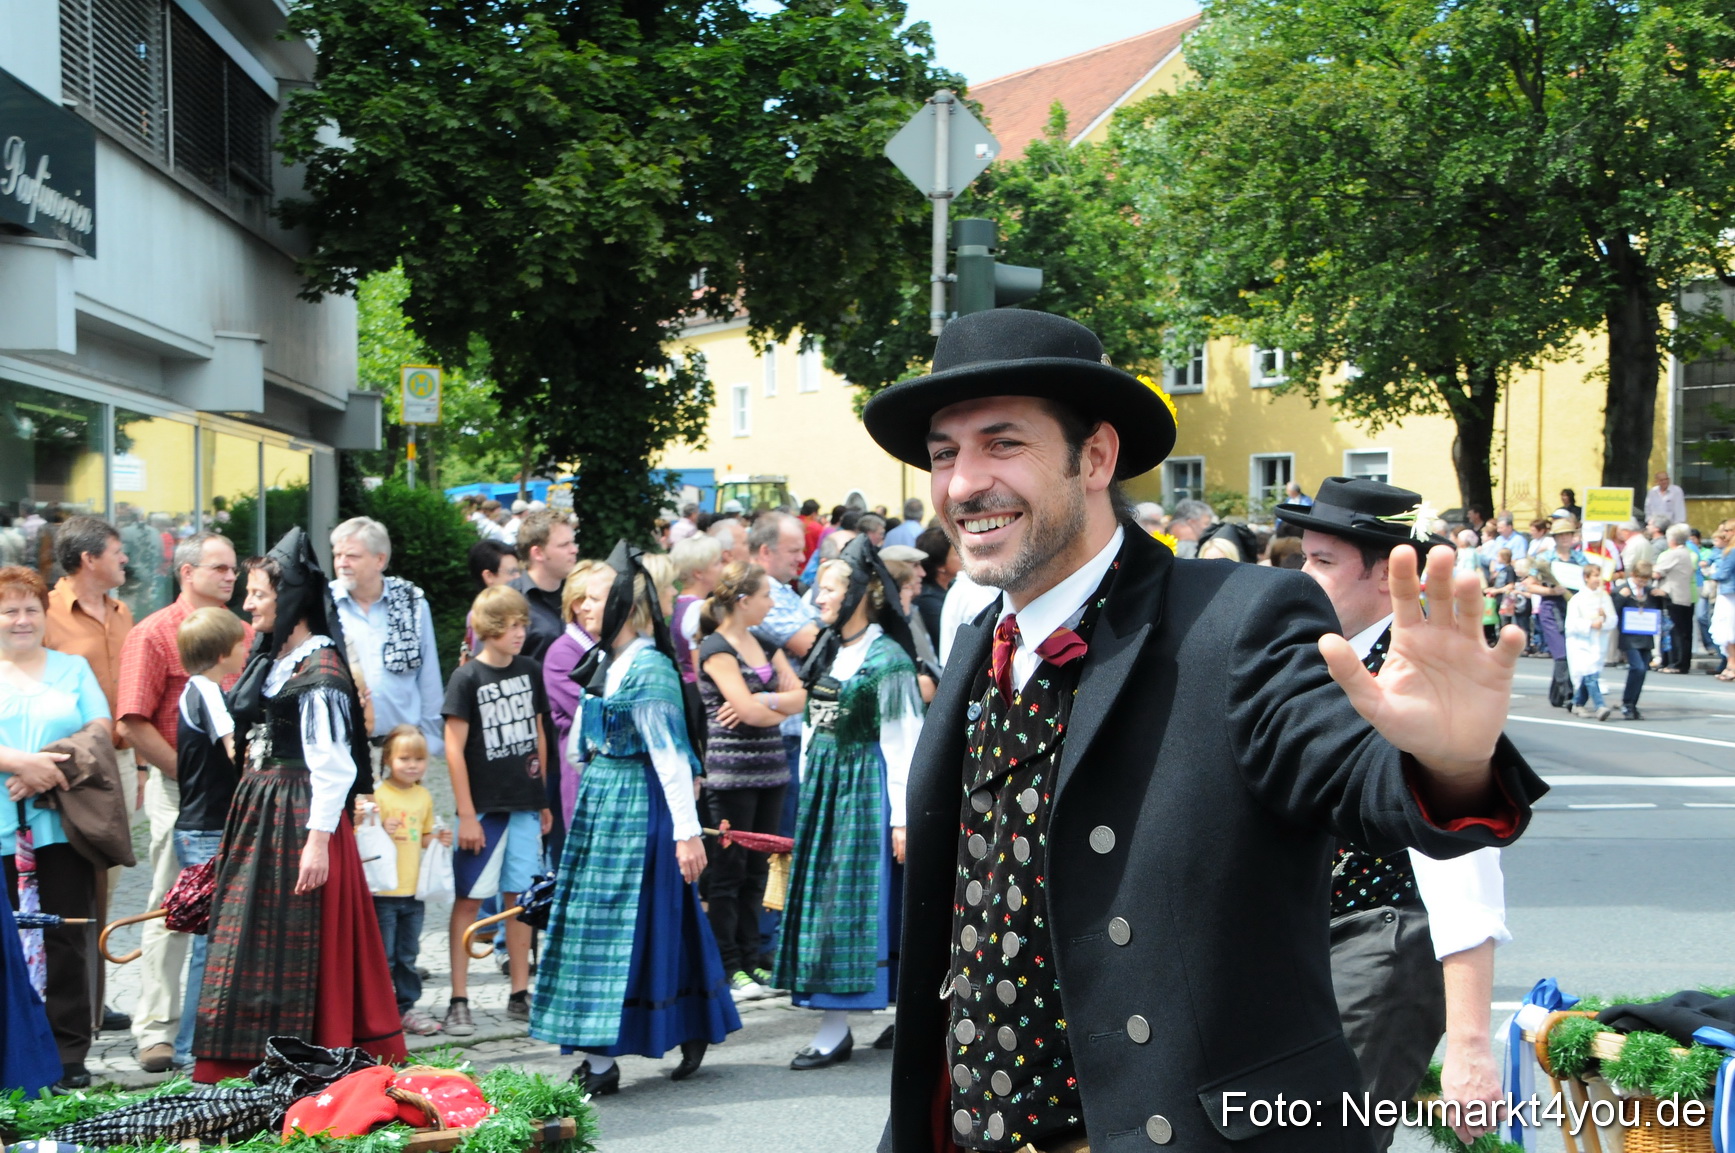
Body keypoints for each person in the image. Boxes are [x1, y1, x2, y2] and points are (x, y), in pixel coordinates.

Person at [859, 308, 1540, 1152]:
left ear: (1096, 456)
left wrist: (1447, 757)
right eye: (943, 454)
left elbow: (1352, 780)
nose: (963, 483)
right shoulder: (974, 648)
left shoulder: (1234, 619)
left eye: (1002, 444)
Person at [1278, 479, 1512, 1150]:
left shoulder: (1427, 673)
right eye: (1304, 556)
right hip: (1310, 942)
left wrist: (1469, 1045)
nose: (1301, 576)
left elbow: (1464, 862)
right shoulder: (1324, 657)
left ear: (1387, 575)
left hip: (1383, 943)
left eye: (1322, 561)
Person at [193, 530, 406, 1081]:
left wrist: (317, 843)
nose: (247, 604)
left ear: (288, 600)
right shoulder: (278, 662)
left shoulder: (321, 672)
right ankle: (245, 1062)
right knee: (248, 938)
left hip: (298, 817)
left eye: (259, 594)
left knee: (295, 940)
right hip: (264, 815)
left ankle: (313, 1057)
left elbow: (334, 768)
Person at [532, 544, 741, 1093]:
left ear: (627, 605)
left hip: (637, 804)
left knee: (622, 926)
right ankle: (685, 1024)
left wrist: (687, 833)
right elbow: (580, 744)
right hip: (604, 801)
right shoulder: (607, 662)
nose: (583, 608)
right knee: (652, 921)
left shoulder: (648, 667)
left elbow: (671, 758)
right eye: (580, 600)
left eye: (596, 600)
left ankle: (607, 1060)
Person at [773, 539, 922, 1070]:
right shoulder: (831, 650)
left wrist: (902, 818)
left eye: (829, 589)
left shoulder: (888, 659)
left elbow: (904, 741)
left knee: (860, 904)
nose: (818, 599)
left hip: (867, 788)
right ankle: (840, 1024)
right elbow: (815, 726)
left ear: (859, 593)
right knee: (826, 901)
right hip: (828, 790)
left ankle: (849, 1024)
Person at [116, 530, 249, 1074]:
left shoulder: (241, 632)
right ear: (185, 572)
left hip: (236, 795)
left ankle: (218, 1024)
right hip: (182, 793)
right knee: (178, 906)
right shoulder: (152, 634)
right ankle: (156, 1029)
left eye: (234, 569)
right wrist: (190, 776)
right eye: (219, 567)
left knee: (226, 914)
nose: (230, 577)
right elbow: (131, 722)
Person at [0, 565, 111, 1093]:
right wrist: (19, 763)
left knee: (66, 936)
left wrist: (49, 765)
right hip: (1, 830)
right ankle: (12, 1049)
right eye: (10, 610)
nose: (22, 620)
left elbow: (100, 728)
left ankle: (68, 1049)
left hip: (60, 824)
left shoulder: (72, 668)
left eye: (31, 609)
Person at [442, 585, 553, 1034]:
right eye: (511, 625)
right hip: (484, 812)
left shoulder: (530, 670)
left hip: (525, 807)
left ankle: (520, 993)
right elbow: (453, 747)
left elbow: (540, 734)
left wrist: (542, 797)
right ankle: (458, 998)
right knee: (469, 901)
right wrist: (466, 813)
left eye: (523, 623)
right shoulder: (466, 678)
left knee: (520, 904)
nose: (520, 632)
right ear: (489, 628)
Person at [42, 514, 135, 1037]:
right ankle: (66, 1004)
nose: (124, 559)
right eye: (117, 552)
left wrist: (139, 765)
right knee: (66, 887)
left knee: (106, 881)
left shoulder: (123, 613)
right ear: (88, 559)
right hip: (59, 768)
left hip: (117, 762)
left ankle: (95, 1002)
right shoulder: (44, 613)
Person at [694, 562, 804, 1002]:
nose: (772, 603)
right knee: (729, 873)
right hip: (732, 777)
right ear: (743, 602)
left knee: (759, 870)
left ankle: (754, 957)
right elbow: (755, 710)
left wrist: (764, 699)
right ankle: (729, 965)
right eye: (765, 596)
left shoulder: (764, 640)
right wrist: (770, 704)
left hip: (771, 770)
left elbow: (802, 694)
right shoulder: (715, 648)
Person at [168, 606, 249, 1069]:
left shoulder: (190, 691)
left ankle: (196, 1043)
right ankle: (190, 1048)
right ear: (223, 653)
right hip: (208, 830)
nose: (245, 648)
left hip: (197, 826)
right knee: (210, 942)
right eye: (240, 643)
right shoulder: (210, 694)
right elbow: (234, 748)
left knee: (210, 939)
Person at [329, 518, 445, 757]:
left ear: (380, 560)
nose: (342, 563)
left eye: (351, 556)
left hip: (402, 748)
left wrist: (431, 740)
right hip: (344, 746)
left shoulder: (412, 603)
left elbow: (429, 677)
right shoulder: (325, 605)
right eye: (337, 555)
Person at [369, 723, 451, 1036]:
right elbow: (362, 836)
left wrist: (439, 839)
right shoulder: (378, 795)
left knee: (408, 954)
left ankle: (407, 1008)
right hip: (384, 890)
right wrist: (378, 827)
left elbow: (424, 836)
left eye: (419, 759)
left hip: (414, 890)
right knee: (384, 955)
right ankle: (380, 1008)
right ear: (388, 759)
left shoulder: (423, 796)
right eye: (405, 759)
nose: (412, 765)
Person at [542, 559, 602, 854]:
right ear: (579, 605)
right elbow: (596, 711)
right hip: (583, 775)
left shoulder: (610, 647)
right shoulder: (562, 653)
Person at [1522, 519, 1586, 709]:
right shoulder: (1546, 558)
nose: (1565, 538)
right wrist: (1551, 591)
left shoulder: (1580, 558)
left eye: (1568, 534)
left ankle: (1556, 695)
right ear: (1555, 538)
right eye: (1561, 535)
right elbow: (1530, 585)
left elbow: (1592, 578)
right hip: (1552, 607)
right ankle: (1568, 694)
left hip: (1574, 607)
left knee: (1572, 651)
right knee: (1561, 652)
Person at [510, 509, 579, 663]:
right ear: (538, 553)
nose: (574, 550)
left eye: (573, 542)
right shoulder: (508, 602)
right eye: (564, 545)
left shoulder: (581, 592)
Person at [1566, 563, 1617, 720]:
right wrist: (1589, 624)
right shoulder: (1577, 599)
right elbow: (1571, 624)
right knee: (1589, 673)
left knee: (1590, 674)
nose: (1598, 579)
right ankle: (1600, 706)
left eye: (1599, 575)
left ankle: (1577, 703)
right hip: (1580, 643)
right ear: (1586, 578)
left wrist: (1605, 618)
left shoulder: (1604, 598)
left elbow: (1613, 620)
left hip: (1598, 642)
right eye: (1595, 575)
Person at [671, 535, 724, 684]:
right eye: (717, 563)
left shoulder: (679, 603)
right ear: (698, 573)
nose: (722, 567)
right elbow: (702, 666)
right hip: (699, 693)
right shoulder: (697, 610)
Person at [1610, 562, 1658, 719]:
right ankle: (1627, 703)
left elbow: (1661, 607)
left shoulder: (1649, 591)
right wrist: (1620, 598)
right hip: (1629, 637)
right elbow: (1613, 611)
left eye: (1646, 580)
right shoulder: (1622, 589)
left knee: (1643, 670)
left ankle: (1633, 704)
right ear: (1633, 575)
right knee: (1637, 668)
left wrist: (1663, 595)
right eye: (1640, 580)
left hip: (1645, 635)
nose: (1642, 583)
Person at [463, 539, 521, 658]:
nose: (518, 577)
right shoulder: (479, 616)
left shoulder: (521, 606)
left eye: (519, 571)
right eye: (512, 572)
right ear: (489, 576)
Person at [1652, 524, 1697, 674]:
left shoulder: (1675, 554)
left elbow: (1657, 572)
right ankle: (1676, 662)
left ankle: (1676, 663)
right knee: (1681, 631)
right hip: (1682, 595)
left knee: (1676, 632)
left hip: (1675, 596)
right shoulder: (1685, 552)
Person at [1708, 522, 1735, 681]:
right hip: (1730, 593)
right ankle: (1730, 665)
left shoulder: (1731, 551)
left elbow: (1723, 574)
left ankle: (1732, 665)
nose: (1723, 534)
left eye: (1727, 530)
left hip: (1728, 594)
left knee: (1728, 631)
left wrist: (1711, 574)